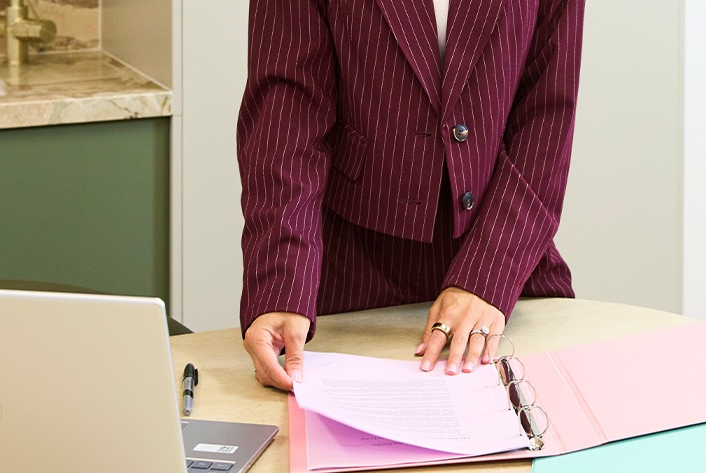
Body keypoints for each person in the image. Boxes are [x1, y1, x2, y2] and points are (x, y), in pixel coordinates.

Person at [238, 0, 586, 391]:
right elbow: (286, 118)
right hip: (352, 272)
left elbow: (547, 116)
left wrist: (488, 275)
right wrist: (282, 284)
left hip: (506, 260)